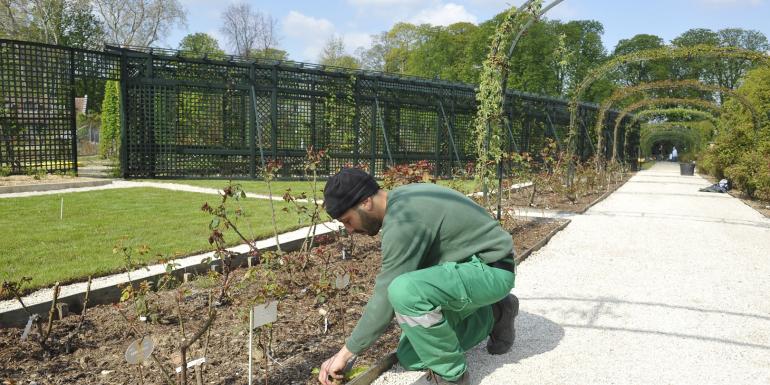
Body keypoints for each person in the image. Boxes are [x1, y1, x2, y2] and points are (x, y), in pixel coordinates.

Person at [317, 168, 518, 385]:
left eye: (348, 220)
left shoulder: (404, 220)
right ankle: (495, 313)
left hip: (492, 269)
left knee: (403, 291)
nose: (349, 230)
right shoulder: (401, 199)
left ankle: (452, 376)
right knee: (411, 355)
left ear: (366, 202)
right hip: (468, 269)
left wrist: (346, 353)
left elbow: (385, 295)